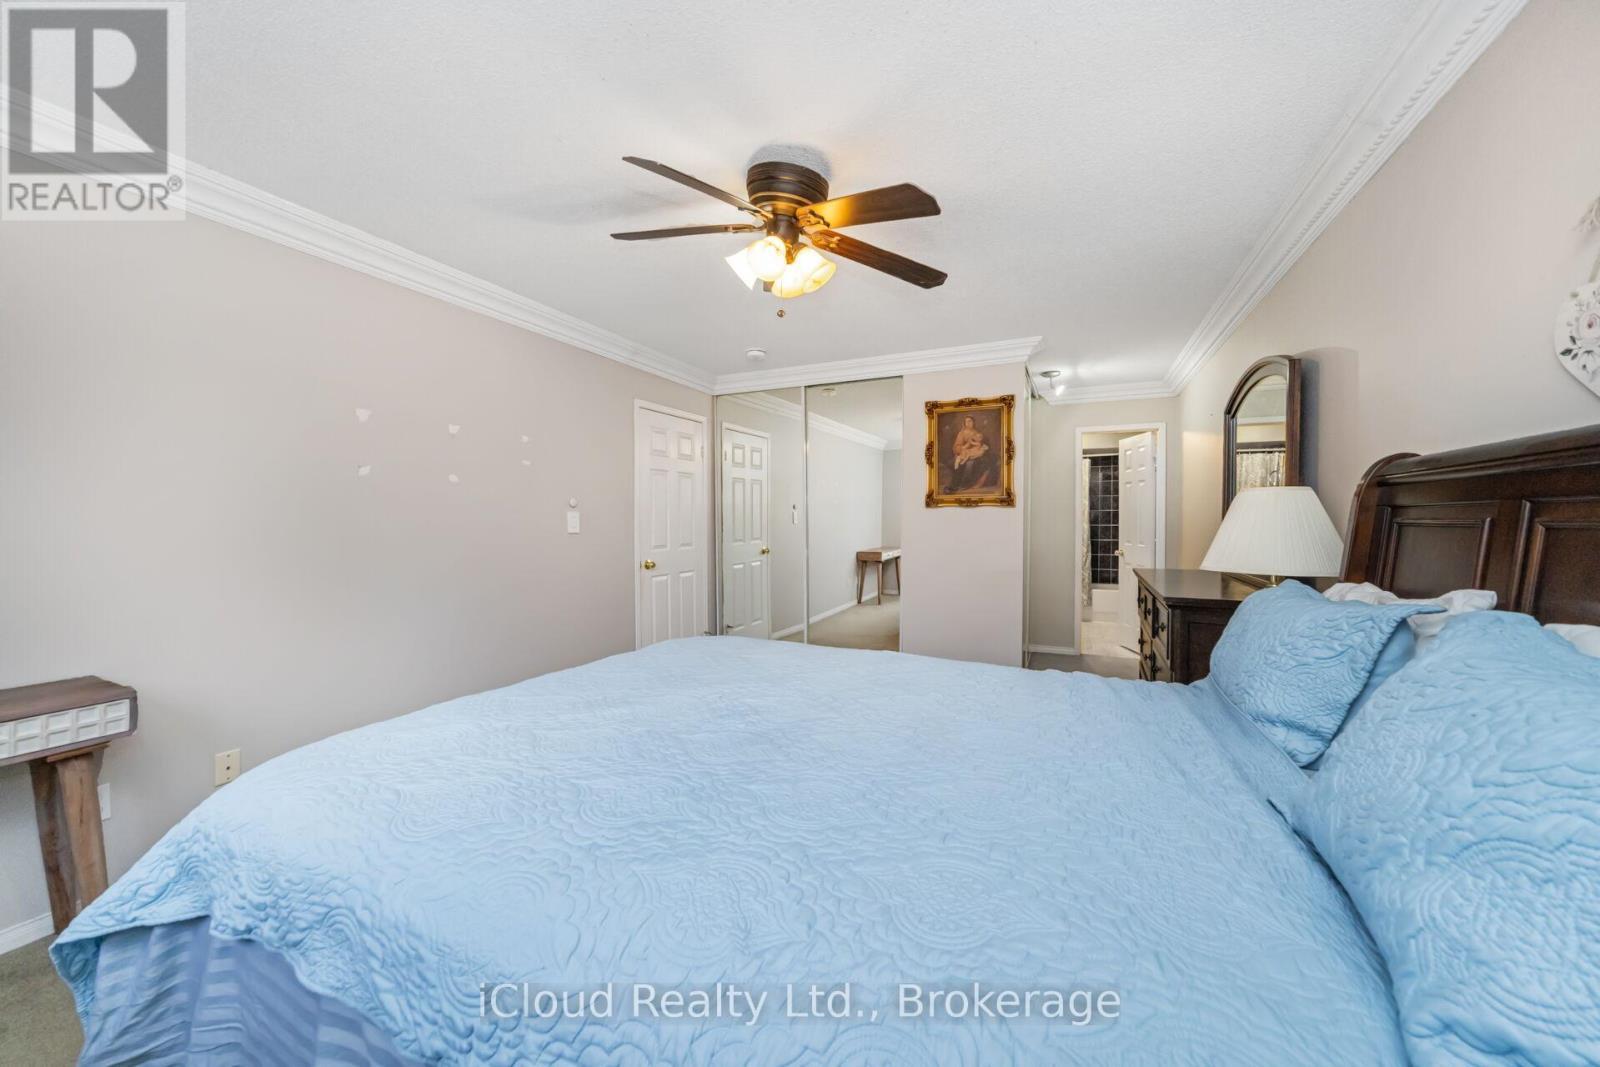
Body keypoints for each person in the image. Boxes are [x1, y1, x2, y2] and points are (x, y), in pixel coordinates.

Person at [949, 415, 998, 491]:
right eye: (966, 421)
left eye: (970, 421)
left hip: (975, 453)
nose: (968, 423)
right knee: (963, 462)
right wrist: (963, 448)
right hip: (964, 452)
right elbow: (957, 446)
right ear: (964, 423)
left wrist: (979, 448)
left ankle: (974, 483)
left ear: (973, 422)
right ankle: (958, 485)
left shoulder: (977, 432)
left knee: (986, 460)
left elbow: (980, 443)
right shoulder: (961, 433)